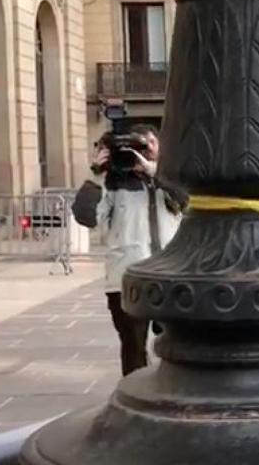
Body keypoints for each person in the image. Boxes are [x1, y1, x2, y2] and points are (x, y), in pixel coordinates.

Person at [72, 124, 187, 376]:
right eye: (136, 147)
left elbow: (187, 202)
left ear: (161, 148)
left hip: (170, 276)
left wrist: (154, 172)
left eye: (147, 145)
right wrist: (96, 175)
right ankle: (134, 391)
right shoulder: (112, 183)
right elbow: (86, 217)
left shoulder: (170, 180)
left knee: (180, 346)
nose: (141, 153)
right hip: (126, 278)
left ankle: (174, 392)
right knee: (134, 348)